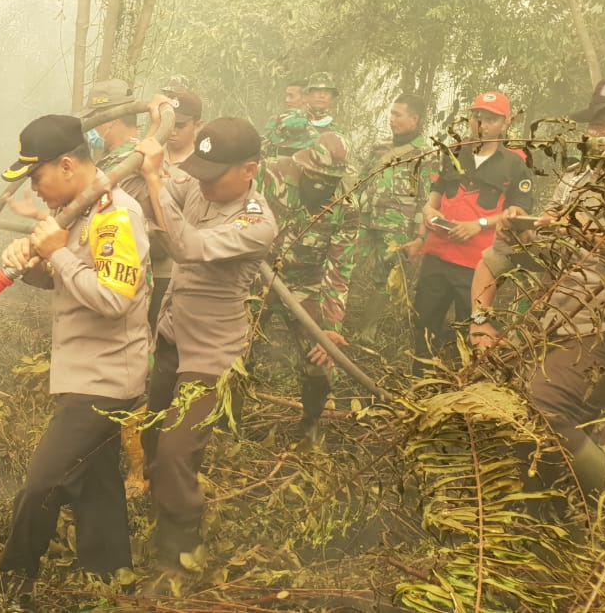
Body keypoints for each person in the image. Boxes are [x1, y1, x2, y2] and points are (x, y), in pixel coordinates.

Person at [469, 76, 605, 505]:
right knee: (495, 401)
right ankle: (541, 506)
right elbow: (532, 248)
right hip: (557, 326)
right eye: (598, 124)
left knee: (542, 406)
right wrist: (530, 232)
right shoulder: (576, 179)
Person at [0, 114, 151, 609]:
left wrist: (58, 254)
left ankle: (15, 578)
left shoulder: (115, 215)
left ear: (66, 165)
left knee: (43, 482)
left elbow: (114, 299)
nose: (33, 188)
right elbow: (65, 277)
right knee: (98, 480)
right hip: (84, 373)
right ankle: (112, 574)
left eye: (36, 176)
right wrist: (32, 263)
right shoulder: (76, 211)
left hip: (105, 380)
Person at [133, 105, 278, 574]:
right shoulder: (200, 184)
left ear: (249, 170)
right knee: (153, 440)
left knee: (176, 452)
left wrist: (155, 181)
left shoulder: (257, 223)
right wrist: (146, 158)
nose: (203, 183)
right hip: (172, 337)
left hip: (212, 356)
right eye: (201, 171)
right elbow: (161, 186)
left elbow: (188, 248)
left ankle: (180, 551)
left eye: (214, 176)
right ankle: (162, 513)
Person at [412, 90, 532, 375]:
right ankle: (419, 380)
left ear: (505, 123)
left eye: (491, 119)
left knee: (473, 328)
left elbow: (518, 212)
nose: (483, 125)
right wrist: (429, 212)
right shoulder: (455, 152)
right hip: (438, 256)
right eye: (478, 118)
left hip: (476, 266)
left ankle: (462, 382)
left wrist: (479, 224)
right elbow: (436, 193)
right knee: (424, 322)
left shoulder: (515, 163)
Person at [258, 131, 358, 447]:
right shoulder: (270, 174)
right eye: (315, 176)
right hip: (256, 273)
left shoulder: (346, 205)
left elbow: (339, 270)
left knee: (322, 360)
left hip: (306, 282)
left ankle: (311, 427)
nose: (321, 185)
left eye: (329, 180)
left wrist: (330, 328)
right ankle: (223, 427)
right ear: (304, 166)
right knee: (233, 350)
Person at [351, 93, 438, 341]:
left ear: (414, 119)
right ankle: (335, 321)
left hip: (397, 229)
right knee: (347, 264)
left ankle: (366, 332)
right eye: (391, 113)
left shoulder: (426, 156)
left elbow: (426, 200)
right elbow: (361, 183)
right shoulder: (380, 149)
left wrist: (419, 237)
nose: (392, 119)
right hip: (365, 220)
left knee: (386, 278)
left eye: (398, 115)